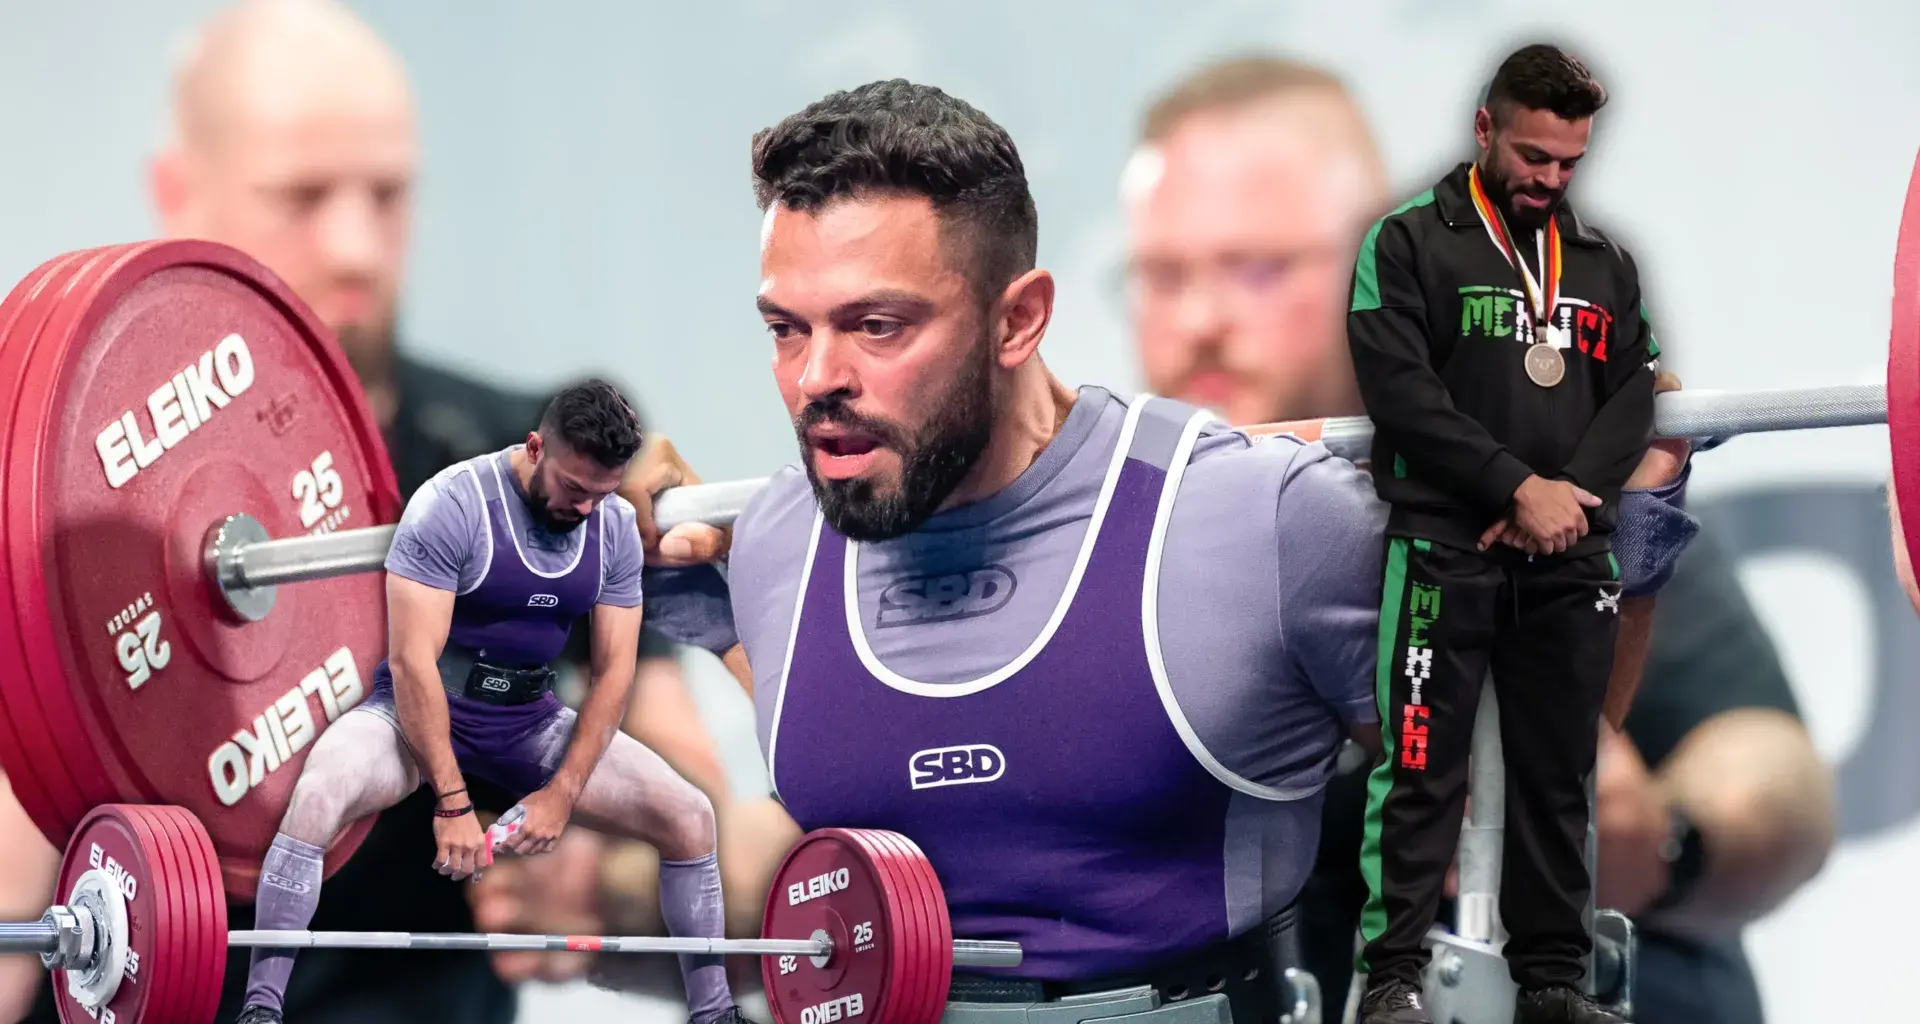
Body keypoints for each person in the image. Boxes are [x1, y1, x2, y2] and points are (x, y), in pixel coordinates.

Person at [627, 77, 1695, 1024]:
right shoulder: (773, 546)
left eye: (877, 326)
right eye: (787, 329)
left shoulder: (1254, 521)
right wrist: (694, 598)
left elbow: (1513, 779)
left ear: (1018, 320)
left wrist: (1630, 518)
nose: (817, 377)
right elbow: (885, 734)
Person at [1123, 53, 1833, 1024]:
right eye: (1162, 275)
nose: (1201, 320)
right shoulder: (1131, 541)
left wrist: (1664, 841)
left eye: (1257, 267)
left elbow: (1776, 775)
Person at [234, 379, 750, 1024]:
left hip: (522, 738)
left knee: (690, 814)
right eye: (574, 490)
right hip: (410, 723)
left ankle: (715, 1011)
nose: (584, 509)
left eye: (598, 495)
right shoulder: (453, 502)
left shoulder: (601, 504)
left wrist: (572, 819)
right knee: (317, 795)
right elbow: (412, 664)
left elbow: (622, 679)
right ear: (535, 450)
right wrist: (453, 804)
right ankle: (260, 1005)